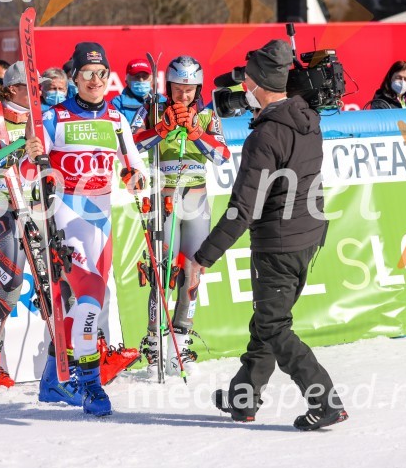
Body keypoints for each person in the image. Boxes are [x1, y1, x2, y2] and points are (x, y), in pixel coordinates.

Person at [189, 39, 347, 431]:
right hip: (308, 236)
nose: (243, 87)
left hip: (279, 244)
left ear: (259, 84)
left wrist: (203, 258)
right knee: (268, 320)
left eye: (248, 81)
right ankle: (243, 399)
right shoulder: (307, 116)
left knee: (274, 326)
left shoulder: (266, 136)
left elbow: (242, 209)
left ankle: (325, 402)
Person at [23, 42, 146, 417]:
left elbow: (135, 170)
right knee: (90, 297)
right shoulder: (54, 118)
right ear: (74, 77)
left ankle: (52, 380)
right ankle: (91, 385)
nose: (96, 80)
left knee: (88, 301)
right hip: (66, 218)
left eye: (101, 73)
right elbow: (28, 173)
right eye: (88, 73)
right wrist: (31, 152)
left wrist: (134, 177)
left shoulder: (117, 120)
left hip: (102, 222)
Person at [132, 55, 230, 376]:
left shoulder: (208, 115)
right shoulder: (150, 110)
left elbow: (222, 156)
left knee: (194, 270)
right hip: (164, 196)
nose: (183, 95)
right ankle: (154, 341)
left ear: (198, 89)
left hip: (196, 197)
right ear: (168, 86)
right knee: (162, 270)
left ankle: (182, 340)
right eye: (177, 88)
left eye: (189, 89)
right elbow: (132, 147)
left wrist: (197, 133)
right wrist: (161, 129)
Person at [0, 61, 46, 388]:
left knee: (56, 287)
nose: (38, 94)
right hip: (5, 211)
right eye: (32, 88)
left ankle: (70, 359)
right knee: (8, 292)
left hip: (40, 211)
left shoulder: (42, 122)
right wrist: (20, 145)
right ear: (13, 88)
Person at [111, 58, 159, 127]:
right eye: (137, 76)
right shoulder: (117, 104)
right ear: (127, 81)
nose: (141, 80)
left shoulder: (162, 101)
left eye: (145, 76)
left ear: (152, 80)